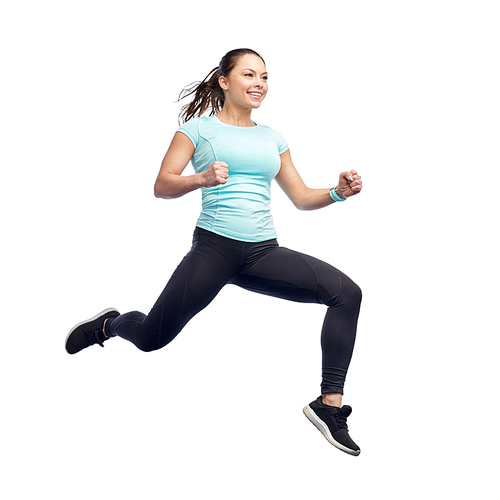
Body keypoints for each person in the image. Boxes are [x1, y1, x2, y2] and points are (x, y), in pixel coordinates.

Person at [65, 48, 363, 456]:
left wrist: (336, 193)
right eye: (248, 75)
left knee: (347, 293)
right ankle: (109, 325)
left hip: (262, 253)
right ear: (225, 81)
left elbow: (300, 196)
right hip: (214, 250)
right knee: (151, 338)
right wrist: (200, 179)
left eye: (264, 76)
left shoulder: (272, 137)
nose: (259, 83)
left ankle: (329, 406)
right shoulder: (198, 130)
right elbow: (162, 185)